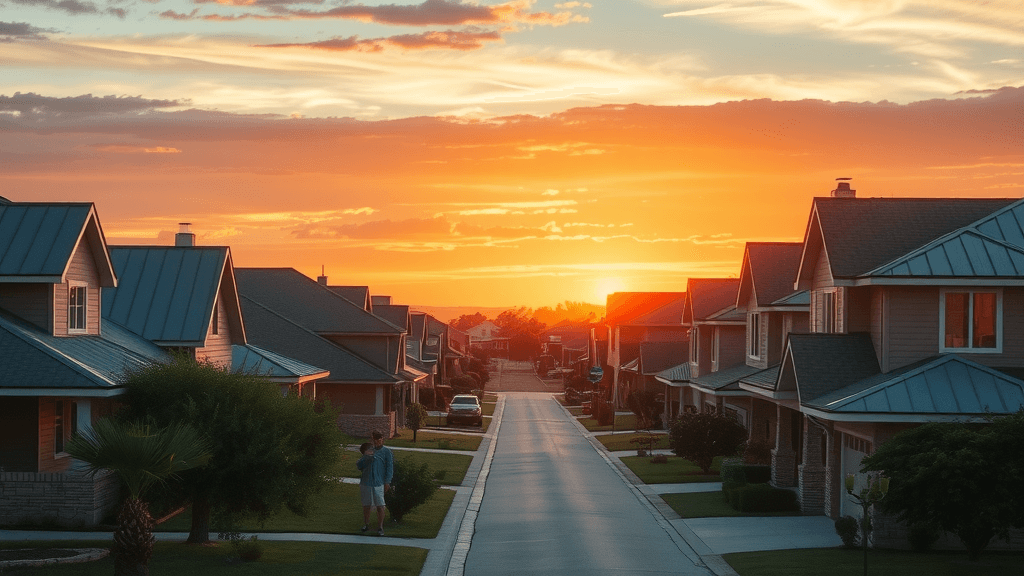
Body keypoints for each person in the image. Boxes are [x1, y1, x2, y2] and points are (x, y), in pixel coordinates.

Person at [356, 430, 393, 536]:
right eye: (375, 440)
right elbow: (359, 465)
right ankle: (366, 524)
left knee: (380, 505)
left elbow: (389, 468)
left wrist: (387, 481)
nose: (377, 442)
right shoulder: (368, 450)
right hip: (366, 482)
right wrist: (366, 456)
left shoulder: (386, 452)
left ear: (382, 439)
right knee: (366, 505)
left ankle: (380, 527)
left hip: (379, 482)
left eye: (379, 440)